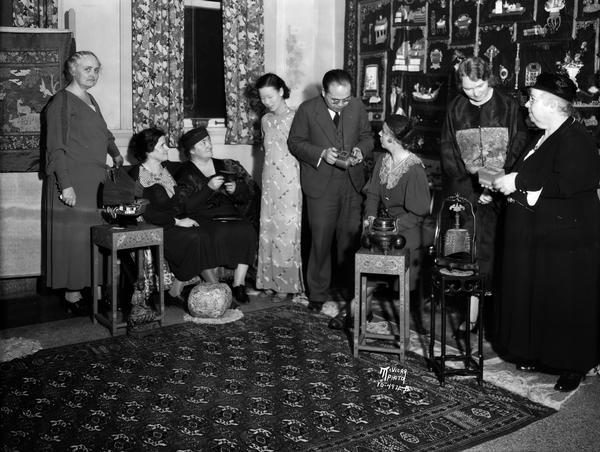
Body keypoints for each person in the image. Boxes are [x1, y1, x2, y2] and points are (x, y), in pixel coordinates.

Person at [493, 72, 600, 392]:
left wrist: (518, 183)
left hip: (568, 239)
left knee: (568, 300)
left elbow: (570, 184)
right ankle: (542, 354)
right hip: (542, 236)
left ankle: (575, 364)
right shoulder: (543, 133)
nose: (528, 105)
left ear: (554, 105)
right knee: (544, 296)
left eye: (534, 100)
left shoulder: (576, 138)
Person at [440, 56, 528, 336]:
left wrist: (494, 187)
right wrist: (475, 191)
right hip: (469, 195)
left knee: (499, 252)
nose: (474, 93)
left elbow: (518, 145)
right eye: (468, 89)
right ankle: (471, 315)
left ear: (488, 79)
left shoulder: (509, 106)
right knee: (469, 252)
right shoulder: (455, 108)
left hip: (502, 193)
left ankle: (498, 319)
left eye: (479, 86)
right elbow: (449, 153)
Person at [44, 50, 124, 316]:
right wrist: (65, 185)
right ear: (72, 70)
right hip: (74, 179)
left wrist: (115, 152)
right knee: (76, 238)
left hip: (96, 180)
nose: (93, 74)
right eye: (87, 69)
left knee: (93, 235)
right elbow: (55, 147)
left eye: (96, 69)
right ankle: (72, 295)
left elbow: (103, 131)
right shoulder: (60, 102)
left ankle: (93, 291)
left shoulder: (90, 99)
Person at [288, 69, 374, 312]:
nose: (341, 104)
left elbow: (368, 137)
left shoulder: (356, 107)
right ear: (323, 93)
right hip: (321, 185)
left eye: (346, 99)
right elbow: (294, 143)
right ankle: (317, 293)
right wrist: (321, 153)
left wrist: (361, 150)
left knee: (349, 240)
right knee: (321, 240)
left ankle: (349, 291)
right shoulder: (307, 110)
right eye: (335, 100)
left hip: (352, 184)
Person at [129, 128, 225, 304]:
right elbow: (146, 213)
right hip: (158, 226)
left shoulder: (166, 169)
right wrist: (177, 221)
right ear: (148, 150)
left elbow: (178, 202)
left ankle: (178, 288)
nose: (167, 148)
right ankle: (217, 289)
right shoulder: (138, 175)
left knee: (206, 229)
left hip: (175, 220)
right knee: (197, 237)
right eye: (162, 145)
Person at [175, 127, 258, 304]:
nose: (209, 145)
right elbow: (185, 206)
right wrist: (208, 188)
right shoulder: (185, 172)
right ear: (191, 150)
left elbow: (248, 193)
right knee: (211, 234)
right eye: (202, 143)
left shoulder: (225, 165)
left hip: (229, 213)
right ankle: (215, 284)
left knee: (247, 229)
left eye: (208, 140)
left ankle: (239, 283)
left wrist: (236, 190)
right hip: (202, 215)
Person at [254, 73, 304, 299]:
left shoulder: (297, 118)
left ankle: (286, 285)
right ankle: (267, 281)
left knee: (286, 231)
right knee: (268, 230)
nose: (266, 102)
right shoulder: (265, 119)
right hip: (269, 178)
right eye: (263, 98)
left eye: (270, 97)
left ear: (282, 92)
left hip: (291, 180)